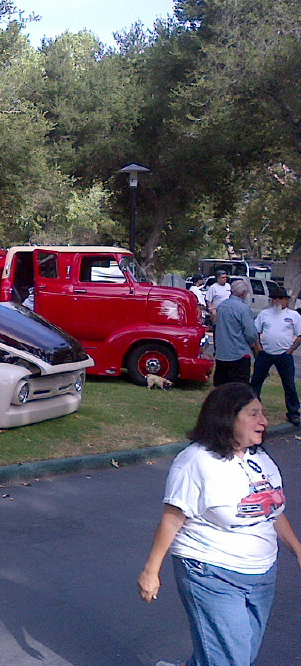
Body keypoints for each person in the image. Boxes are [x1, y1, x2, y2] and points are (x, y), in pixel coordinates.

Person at [137, 383, 301, 666]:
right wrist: (151, 571)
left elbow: (272, 512)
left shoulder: (260, 459)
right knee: (230, 659)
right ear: (228, 417)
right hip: (211, 572)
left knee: (239, 654)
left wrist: (298, 550)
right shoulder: (196, 462)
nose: (264, 421)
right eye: (253, 414)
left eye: (262, 413)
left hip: (262, 574)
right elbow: (172, 519)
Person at [250, 284, 301, 427]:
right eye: (275, 298)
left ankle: (293, 412)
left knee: (289, 384)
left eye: (280, 298)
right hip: (265, 353)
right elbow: (255, 332)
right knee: (256, 382)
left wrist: (290, 350)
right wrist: (259, 347)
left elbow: (299, 335)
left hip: (284, 355)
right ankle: (252, 409)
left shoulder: (293, 316)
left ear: (286, 300)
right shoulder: (264, 314)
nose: (277, 301)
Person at [213, 279, 259, 386]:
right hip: (239, 354)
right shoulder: (243, 308)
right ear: (243, 293)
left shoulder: (221, 306)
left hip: (222, 354)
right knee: (239, 388)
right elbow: (251, 333)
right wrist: (253, 345)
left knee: (222, 387)